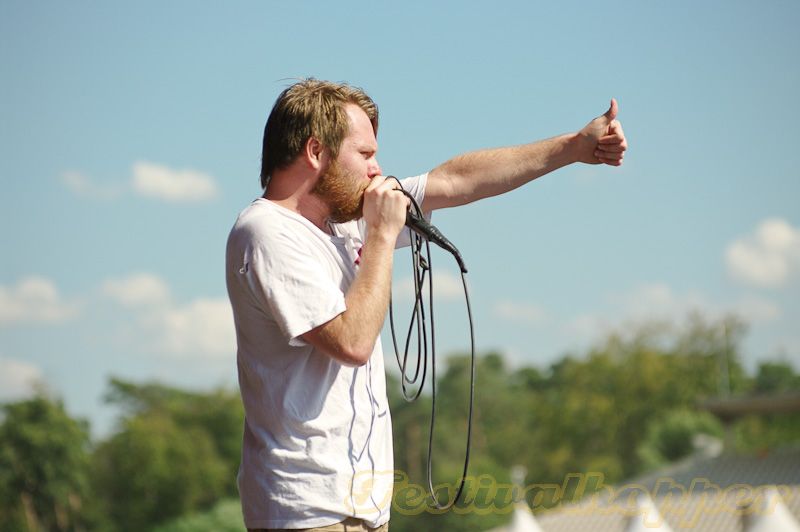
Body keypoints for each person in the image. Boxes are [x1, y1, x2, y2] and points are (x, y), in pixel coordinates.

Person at [225, 78, 627, 532]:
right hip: (306, 511)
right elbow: (352, 341)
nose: (378, 170)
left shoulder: (341, 225)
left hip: (361, 509)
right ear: (316, 152)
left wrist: (573, 147)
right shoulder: (266, 232)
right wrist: (379, 235)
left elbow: (456, 179)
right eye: (365, 155)